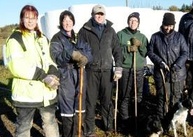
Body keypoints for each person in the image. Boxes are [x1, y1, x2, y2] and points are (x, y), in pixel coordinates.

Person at [5, 5, 60, 137]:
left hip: (46, 92)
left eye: (33, 18)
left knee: (50, 122)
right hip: (26, 94)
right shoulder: (15, 39)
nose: (30, 21)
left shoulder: (42, 38)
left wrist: (52, 72)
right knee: (24, 126)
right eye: (27, 17)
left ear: (37, 19)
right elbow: (17, 65)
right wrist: (43, 76)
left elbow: (50, 59)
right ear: (22, 19)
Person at [78, 4, 122, 136]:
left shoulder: (110, 31)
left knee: (107, 100)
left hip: (107, 71)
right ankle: (89, 129)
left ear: (105, 16)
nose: (99, 16)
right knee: (90, 101)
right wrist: (82, 59)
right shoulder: (85, 30)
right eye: (97, 14)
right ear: (92, 15)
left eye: (101, 14)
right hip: (91, 71)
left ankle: (108, 126)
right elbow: (80, 49)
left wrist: (118, 67)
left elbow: (117, 50)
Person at [50, 10, 92, 137]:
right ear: (61, 22)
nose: (67, 23)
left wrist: (86, 59)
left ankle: (78, 133)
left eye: (70, 20)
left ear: (73, 22)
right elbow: (56, 57)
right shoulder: (57, 38)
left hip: (80, 73)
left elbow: (89, 52)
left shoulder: (79, 37)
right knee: (67, 110)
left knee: (80, 107)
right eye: (65, 20)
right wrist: (70, 54)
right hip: (66, 75)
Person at [147, 12, 188, 119]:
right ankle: (162, 120)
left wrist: (177, 65)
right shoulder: (155, 37)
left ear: (174, 25)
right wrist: (160, 62)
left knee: (176, 97)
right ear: (162, 24)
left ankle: (174, 120)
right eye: (166, 25)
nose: (168, 28)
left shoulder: (179, 37)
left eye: (170, 26)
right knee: (162, 97)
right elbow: (150, 52)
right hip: (161, 73)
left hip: (177, 73)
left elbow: (185, 53)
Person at [116, 12, 148, 133]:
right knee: (125, 96)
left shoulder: (142, 37)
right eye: (131, 20)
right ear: (127, 21)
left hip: (138, 68)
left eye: (135, 20)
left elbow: (145, 53)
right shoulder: (121, 34)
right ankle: (124, 121)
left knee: (138, 95)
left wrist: (140, 46)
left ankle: (137, 119)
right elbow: (116, 51)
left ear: (138, 23)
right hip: (125, 68)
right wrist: (127, 49)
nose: (133, 22)